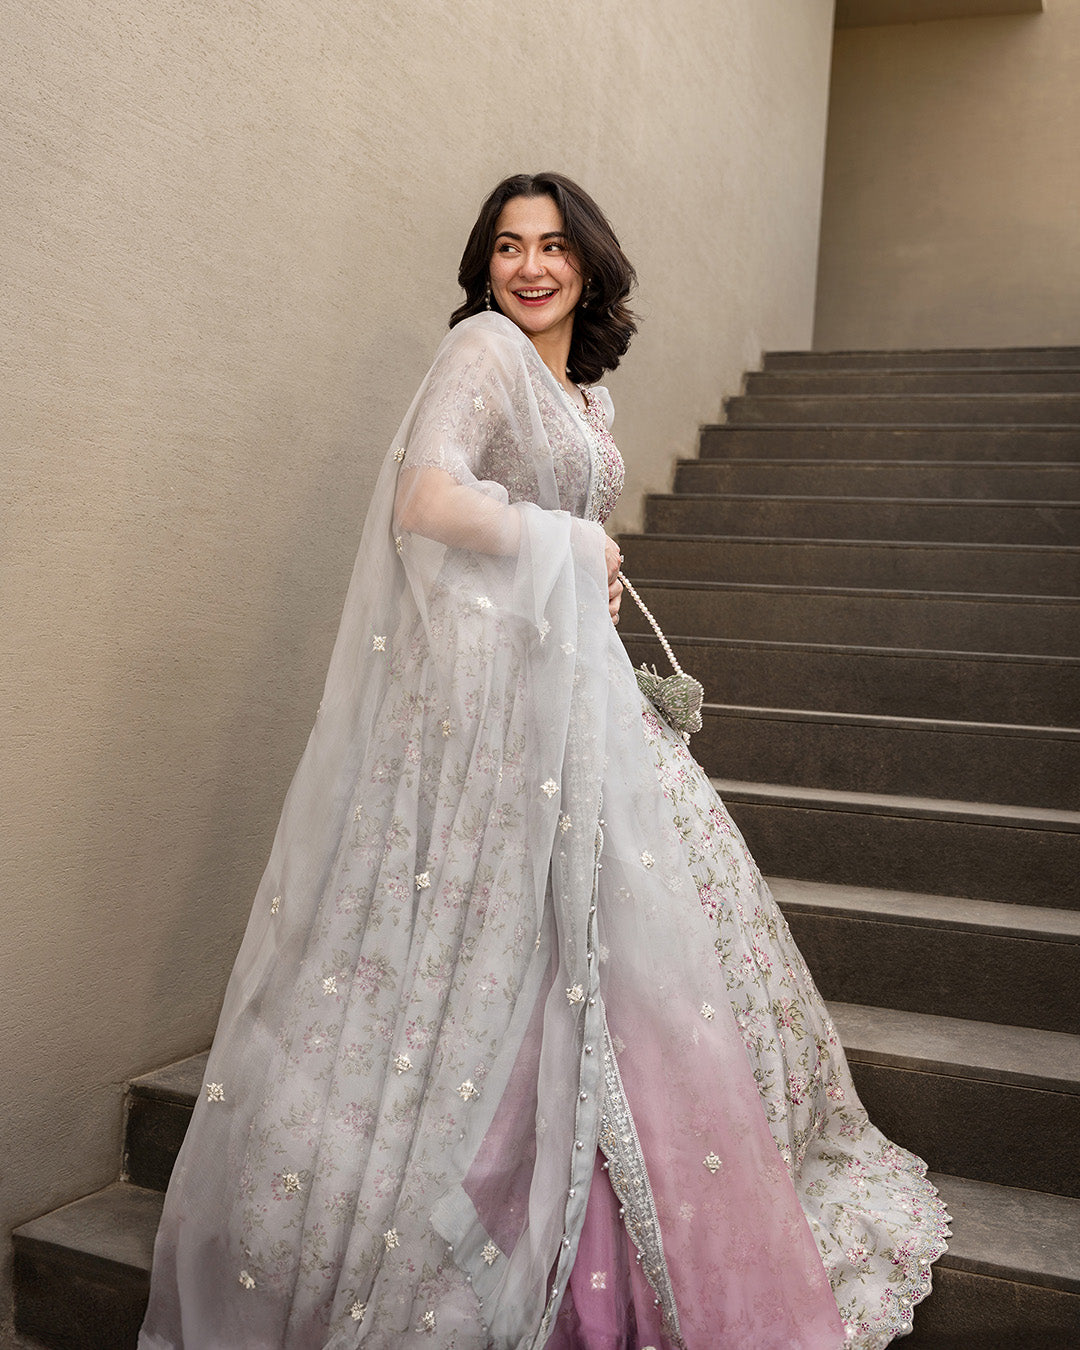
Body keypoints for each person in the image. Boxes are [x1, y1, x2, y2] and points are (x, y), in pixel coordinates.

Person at [139, 173, 949, 1350]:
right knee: (519, 939)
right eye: (509, 246)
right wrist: (569, 544)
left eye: (554, 246)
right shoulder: (481, 351)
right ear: (486, 265)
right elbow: (425, 500)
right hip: (500, 704)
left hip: (574, 687)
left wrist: (587, 569)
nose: (530, 267)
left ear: (589, 263)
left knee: (640, 926)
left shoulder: (583, 391)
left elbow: (541, 524)